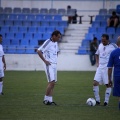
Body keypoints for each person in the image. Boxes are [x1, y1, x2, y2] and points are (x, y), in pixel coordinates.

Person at [37, 30, 61, 105]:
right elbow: (38, 51)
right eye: (58, 37)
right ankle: (45, 99)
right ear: (54, 36)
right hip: (49, 65)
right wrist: (45, 61)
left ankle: (50, 100)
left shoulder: (56, 43)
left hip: (54, 65)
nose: (59, 39)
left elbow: (57, 52)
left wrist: (55, 60)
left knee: (53, 83)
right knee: (51, 82)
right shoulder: (48, 42)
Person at [93, 34, 117, 106]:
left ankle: (106, 102)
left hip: (107, 67)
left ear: (107, 39)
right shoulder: (100, 45)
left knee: (108, 84)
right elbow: (96, 54)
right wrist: (97, 62)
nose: (102, 42)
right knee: (95, 83)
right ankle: (97, 101)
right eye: (102, 40)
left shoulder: (113, 46)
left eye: (104, 40)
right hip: (100, 67)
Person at [107, 36, 120, 110]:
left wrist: (109, 79)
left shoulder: (113, 53)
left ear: (117, 43)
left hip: (117, 76)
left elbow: (109, 68)